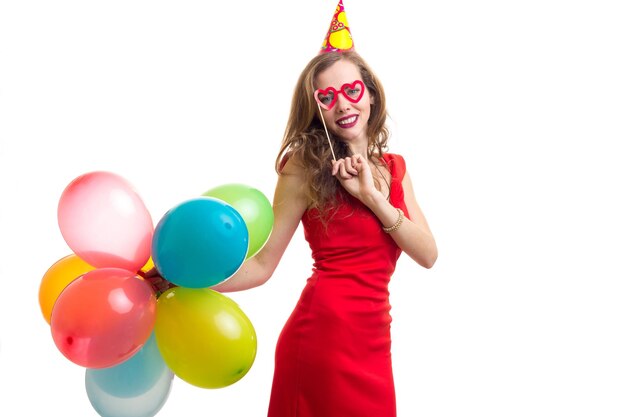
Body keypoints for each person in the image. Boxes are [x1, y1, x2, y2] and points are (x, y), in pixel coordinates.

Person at [211, 2, 438, 416]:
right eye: (327, 97)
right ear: (317, 108)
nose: (343, 105)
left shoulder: (395, 168)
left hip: (374, 343)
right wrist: (191, 281)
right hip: (322, 341)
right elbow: (263, 264)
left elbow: (428, 254)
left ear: (369, 93)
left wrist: (372, 197)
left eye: (351, 91)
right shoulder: (304, 166)